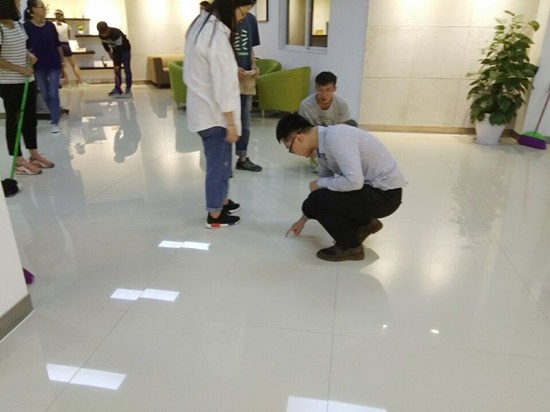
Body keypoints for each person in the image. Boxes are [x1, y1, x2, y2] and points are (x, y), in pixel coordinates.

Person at [277, 113, 405, 262]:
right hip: (372, 191)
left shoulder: (336, 138)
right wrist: (302, 219)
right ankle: (366, 224)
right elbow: (319, 191)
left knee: (319, 199)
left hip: (385, 195)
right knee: (316, 199)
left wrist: (320, 184)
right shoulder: (322, 146)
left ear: (299, 138)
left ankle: (351, 247)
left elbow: (354, 182)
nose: (294, 154)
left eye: (290, 149)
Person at [184, 0, 255, 228]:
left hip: (204, 109)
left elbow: (210, 69)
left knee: (222, 162)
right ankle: (215, 214)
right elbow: (223, 86)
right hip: (215, 115)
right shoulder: (215, 36)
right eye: (243, 12)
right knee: (218, 165)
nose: (243, 18)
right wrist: (231, 123)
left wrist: (232, 69)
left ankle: (222, 200)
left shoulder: (201, 25)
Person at [0, 0, 54, 174]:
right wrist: (19, 68)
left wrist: (29, 55)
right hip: (9, 83)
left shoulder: (17, 25)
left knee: (30, 120)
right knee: (14, 121)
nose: (18, 4)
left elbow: (21, 47)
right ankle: (18, 162)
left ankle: (34, 155)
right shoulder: (0, 28)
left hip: (27, 80)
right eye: (16, 2)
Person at [23, 0, 63, 134]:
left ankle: (54, 121)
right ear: (33, 9)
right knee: (45, 94)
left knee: (53, 92)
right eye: (41, 7)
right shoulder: (27, 27)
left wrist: (62, 63)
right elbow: (24, 46)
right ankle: (54, 113)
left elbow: (57, 45)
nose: (44, 9)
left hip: (54, 63)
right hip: (38, 65)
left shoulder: (50, 26)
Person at [233, 2, 262, 172]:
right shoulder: (223, 20)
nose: (246, 13)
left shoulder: (251, 20)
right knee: (225, 122)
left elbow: (249, 47)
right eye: (245, 8)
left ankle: (242, 157)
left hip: (245, 79)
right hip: (227, 79)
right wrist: (232, 69)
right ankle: (223, 162)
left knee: (244, 121)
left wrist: (254, 65)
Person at [53, 9, 88, 87]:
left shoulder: (52, 25)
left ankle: (67, 82)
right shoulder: (66, 25)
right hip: (66, 45)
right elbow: (68, 37)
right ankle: (80, 81)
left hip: (58, 46)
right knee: (74, 64)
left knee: (63, 65)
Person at [97, 21, 132, 98]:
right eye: (102, 33)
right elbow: (105, 46)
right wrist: (110, 54)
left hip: (125, 50)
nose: (103, 35)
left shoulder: (116, 33)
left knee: (127, 69)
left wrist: (117, 64)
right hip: (115, 50)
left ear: (107, 29)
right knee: (116, 71)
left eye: (104, 33)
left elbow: (119, 49)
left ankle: (128, 89)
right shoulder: (101, 35)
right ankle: (117, 88)